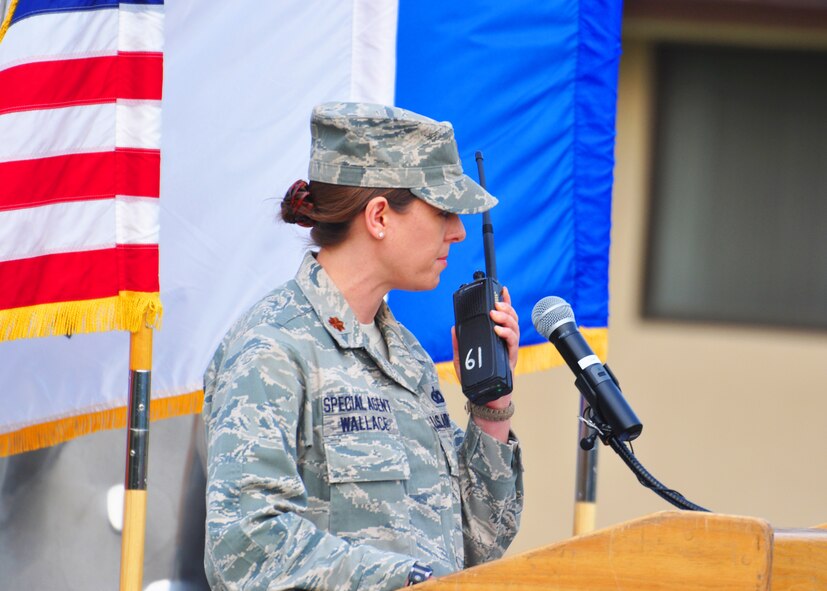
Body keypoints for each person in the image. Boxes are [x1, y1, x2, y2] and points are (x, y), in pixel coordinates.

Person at [202, 102, 524, 591]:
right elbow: (246, 545)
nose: (457, 232)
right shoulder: (272, 346)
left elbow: (476, 543)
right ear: (378, 217)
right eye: (442, 211)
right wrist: (404, 578)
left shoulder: (407, 356)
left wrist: (490, 409)